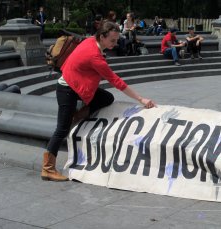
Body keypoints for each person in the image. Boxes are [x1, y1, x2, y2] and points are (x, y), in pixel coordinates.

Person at [41, 21, 156, 181]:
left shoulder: (90, 41)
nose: (115, 44)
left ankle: (77, 116)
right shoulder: (95, 56)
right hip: (67, 89)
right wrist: (141, 99)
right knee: (62, 129)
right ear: (102, 37)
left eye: (116, 40)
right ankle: (48, 168)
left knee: (107, 98)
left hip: (76, 84)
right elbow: (116, 81)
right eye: (112, 40)